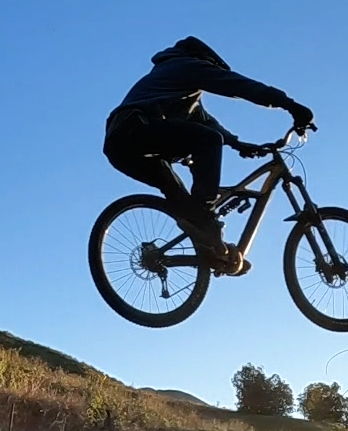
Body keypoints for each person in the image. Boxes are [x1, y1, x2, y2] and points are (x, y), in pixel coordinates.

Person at [103, 37, 314, 270]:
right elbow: (237, 85)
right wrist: (289, 104)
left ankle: (209, 251)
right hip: (135, 129)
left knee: (185, 206)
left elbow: (208, 122)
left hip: (120, 145)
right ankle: (205, 215)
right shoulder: (185, 66)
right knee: (207, 148)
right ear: (203, 59)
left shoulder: (176, 87)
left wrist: (239, 144)